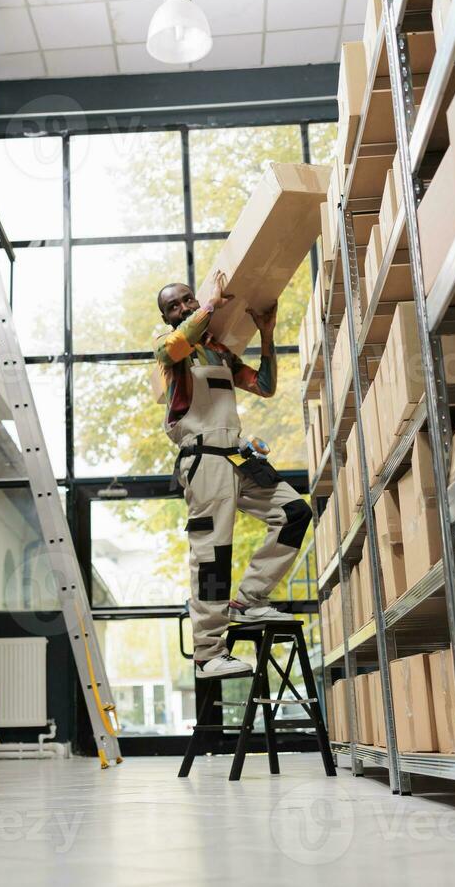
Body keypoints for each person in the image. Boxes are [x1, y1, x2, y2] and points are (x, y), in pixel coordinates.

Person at [154, 273, 312, 680]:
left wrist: (267, 333)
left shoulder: (219, 354)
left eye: (188, 299)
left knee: (294, 512)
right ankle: (207, 653)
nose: (184, 307)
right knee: (212, 555)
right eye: (175, 305)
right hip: (203, 460)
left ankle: (250, 598)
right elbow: (175, 343)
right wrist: (210, 305)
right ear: (167, 315)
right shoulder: (172, 355)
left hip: (238, 456)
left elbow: (264, 386)